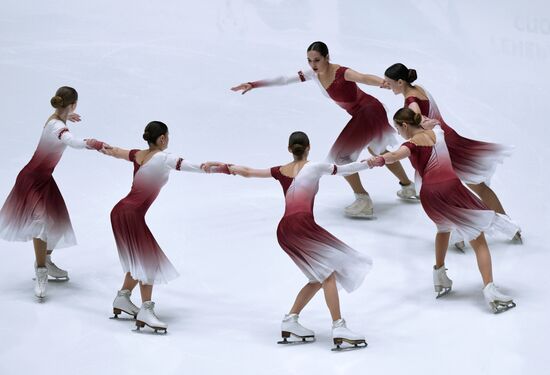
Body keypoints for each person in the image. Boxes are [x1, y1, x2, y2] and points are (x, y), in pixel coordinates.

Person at [231, 41, 416, 219]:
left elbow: (364, 77)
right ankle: (408, 186)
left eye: (317, 60)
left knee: (341, 158)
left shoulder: (342, 72)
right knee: (378, 150)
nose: (313, 64)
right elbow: (284, 79)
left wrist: (382, 83)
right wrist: (254, 84)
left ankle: (363, 199)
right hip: (365, 113)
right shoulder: (312, 74)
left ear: (327, 57)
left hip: (369, 111)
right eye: (309, 61)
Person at [228, 131, 372, 350]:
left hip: (284, 230)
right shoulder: (314, 167)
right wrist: (374, 162)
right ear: (308, 147)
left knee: (317, 279)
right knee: (329, 274)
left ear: (289, 149)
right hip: (302, 226)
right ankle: (339, 327)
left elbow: (247, 172)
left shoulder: (281, 171)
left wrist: (225, 167)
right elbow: (346, 169)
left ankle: (291, 320)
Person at [367, 108, 518, 313]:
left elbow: (394, 155)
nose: (398, 132)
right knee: (478, 240)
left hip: (430, 195)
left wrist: (380, 159)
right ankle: (490, 289)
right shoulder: (438, 134)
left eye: (397, 128)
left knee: (443, 229)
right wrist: (430, 124)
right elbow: (436, 125)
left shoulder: (410, 144)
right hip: (451, 190)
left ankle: (439, 275)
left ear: (404, 125)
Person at [100, 121, 229, 333]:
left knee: (138, 260)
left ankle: (122, 299)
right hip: (131, 215)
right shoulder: (164, 158)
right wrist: (223, 168)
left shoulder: (137, 154)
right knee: (147, 262)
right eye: (167, 136)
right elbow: (199, 167)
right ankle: (146, 311)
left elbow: (112, 151)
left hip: (119, 212)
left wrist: (96, 144)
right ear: (162, 139)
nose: (168, 140)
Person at [383, 63, 521, 249]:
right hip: (448, 140)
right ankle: (485, 229)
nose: (388, 86)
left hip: (443, 149)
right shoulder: (418, 88)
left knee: (439, 191)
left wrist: (420, 129)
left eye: (390, 83)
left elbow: (416, 123)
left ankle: (487, 229)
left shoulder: (411, 101)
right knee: (469, 187)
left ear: (400, 82)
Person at [0, 86, 104, 300]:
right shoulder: (58, 127)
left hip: (44, 180)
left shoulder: (55, 118)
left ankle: (46, 260)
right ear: (73, 104)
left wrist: (67, 115)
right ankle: (41, 271)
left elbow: (58, 122)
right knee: (40, 225)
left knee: (56, 223)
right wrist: (92, 144)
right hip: (31, 181)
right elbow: (71, 142)